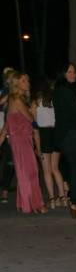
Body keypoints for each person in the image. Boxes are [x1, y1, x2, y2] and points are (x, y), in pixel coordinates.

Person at [0, 72, 47, 214]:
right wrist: (33, 110)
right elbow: (31, 119)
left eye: (28, 80)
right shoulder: (16, 100)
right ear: (17, 84)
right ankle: (36, 205)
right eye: (23, 80)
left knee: (26, 171)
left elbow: (6, 126)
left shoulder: (15, 100)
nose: (27, 83)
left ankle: (24, 203)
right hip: (20, 140)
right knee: (30, 172)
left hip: (22, 140)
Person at [53, 63, 76, 218]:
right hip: (70, 134)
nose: (74, 74)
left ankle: (72, 200)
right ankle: (75, 203)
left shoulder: (59, 91)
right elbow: (75, 112)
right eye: (70, 72)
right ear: (63, 74)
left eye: (74, 72)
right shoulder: (66, 91)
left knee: (70, 167)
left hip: (64, 135)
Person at [31, 78, 66, 209]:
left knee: (46, 171)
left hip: (44, 135)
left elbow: (34, 125)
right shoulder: (53, 102)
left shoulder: (35, 103)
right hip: (55, 134)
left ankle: (52, 199)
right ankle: (62, 197)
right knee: (55, 168)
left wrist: (37, 146)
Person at [0, 67, 16, 204]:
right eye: (7, 76)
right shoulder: (4, 91)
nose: (9, 78)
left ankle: (6, 189)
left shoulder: (19, 91)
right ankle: (4, 188)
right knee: (7, 161)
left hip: (16, 131)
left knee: (13, 162)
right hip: (5, 130)